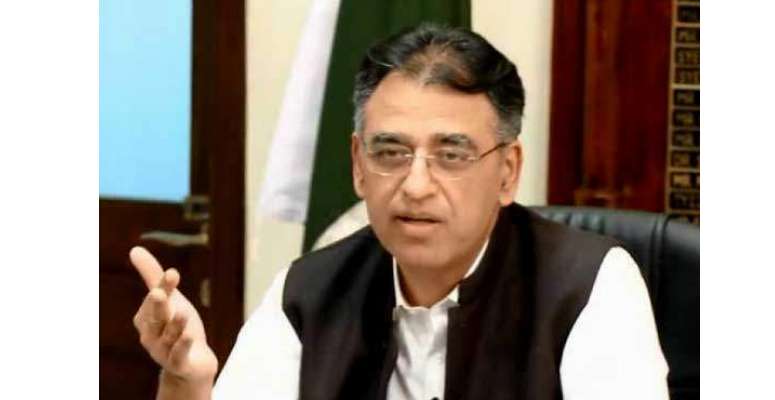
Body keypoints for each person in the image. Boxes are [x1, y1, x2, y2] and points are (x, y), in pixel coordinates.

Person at [130, 24, 669, 400]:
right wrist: (186, 382)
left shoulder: (589, 286)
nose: (415, 185)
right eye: (390, 152)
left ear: (507, 172)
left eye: (451, 155)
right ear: (358, 166)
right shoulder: (309, 291)